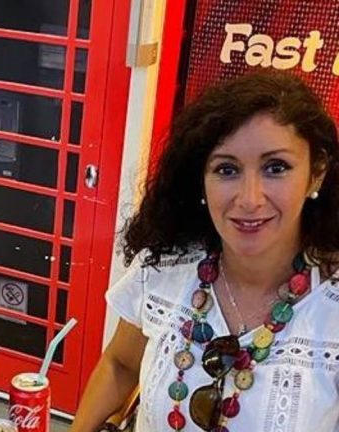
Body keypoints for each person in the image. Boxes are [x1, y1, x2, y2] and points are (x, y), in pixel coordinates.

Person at [70, 72, 339, 431]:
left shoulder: (329, 311)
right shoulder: (164, 268)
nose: (249, 199)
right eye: (226, 169)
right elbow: (120, 365)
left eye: (276, 168)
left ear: (316, 173)